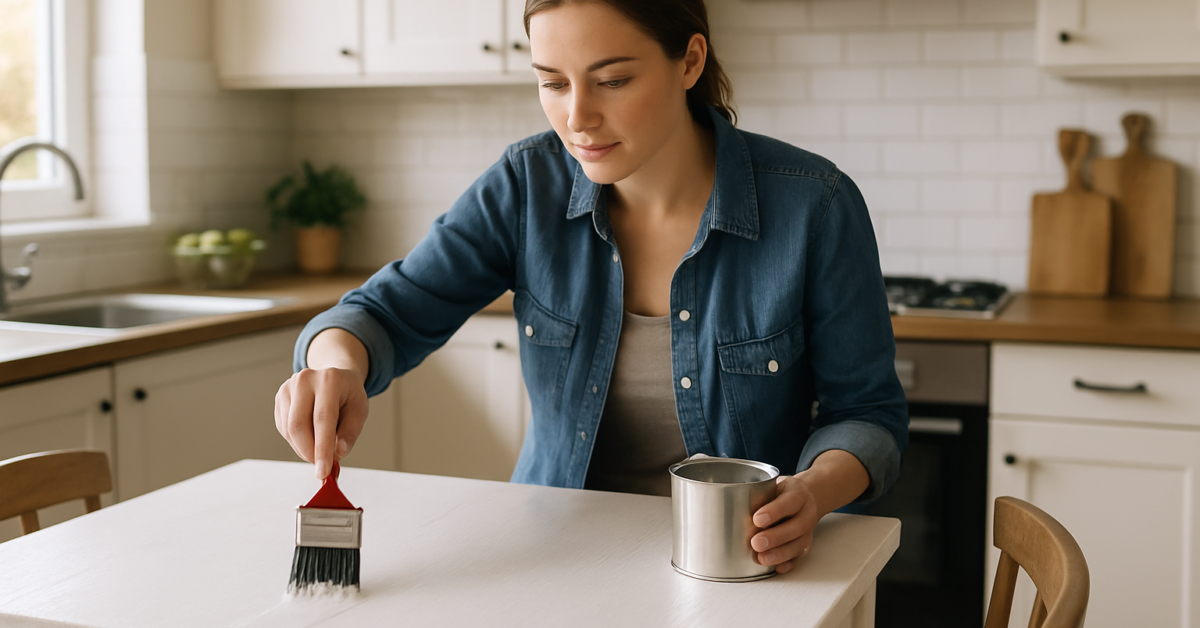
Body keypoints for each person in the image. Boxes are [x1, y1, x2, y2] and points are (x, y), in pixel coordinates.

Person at [274, 0, 908, 575]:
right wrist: (335, 366)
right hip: (553, 555)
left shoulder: (813, 204)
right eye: (552, 83)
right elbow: (384, 312)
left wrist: (816, 490)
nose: (576, 118)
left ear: (689, 61)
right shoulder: (526, 186)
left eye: (612, 80)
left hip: (742, 566)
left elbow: (867, 413)